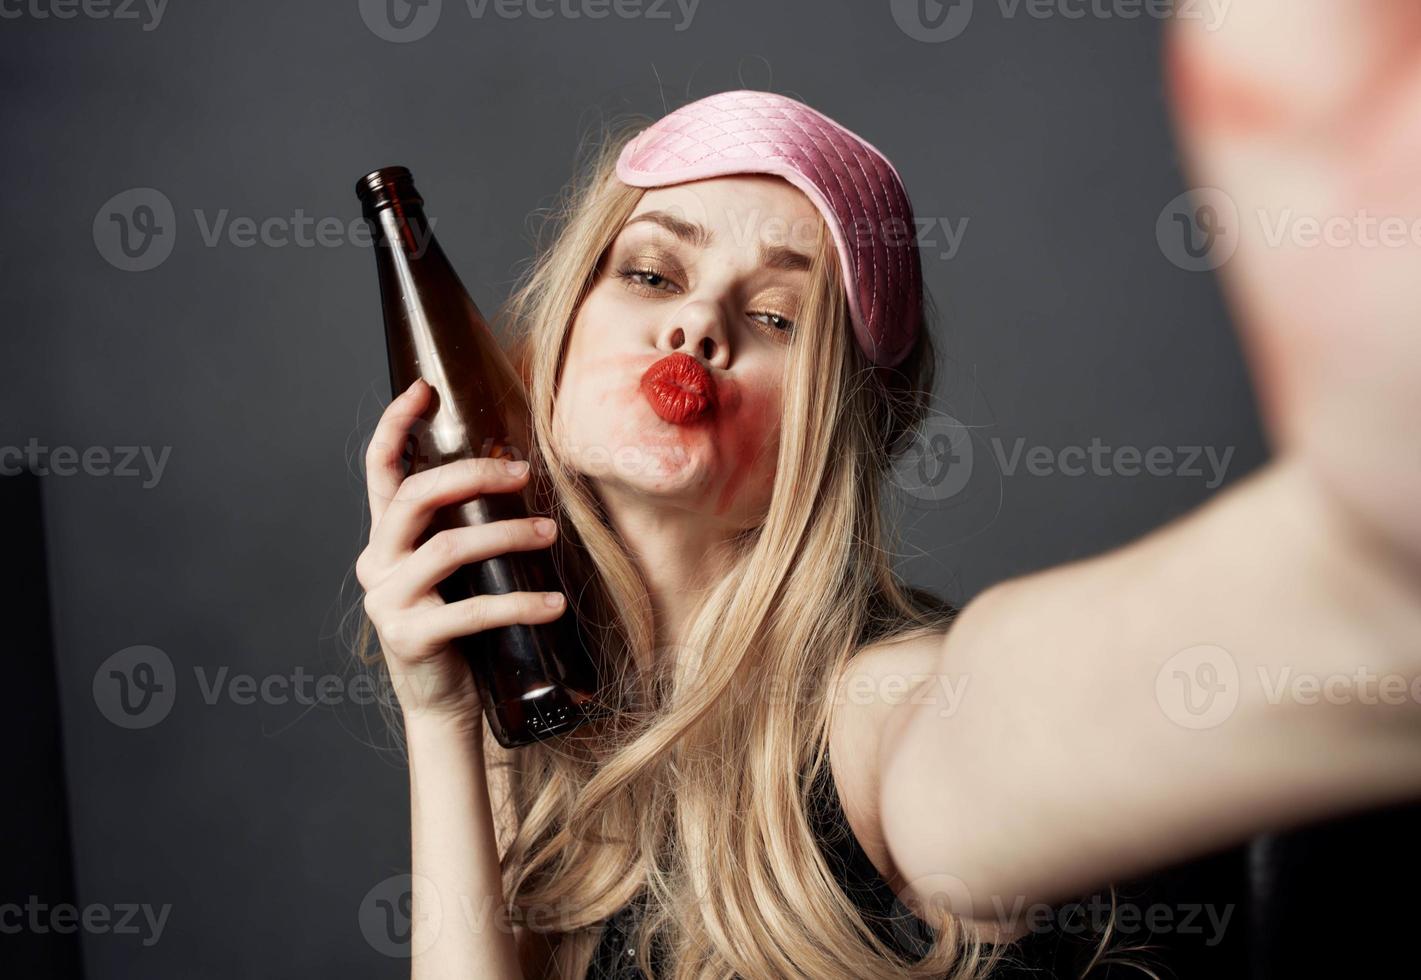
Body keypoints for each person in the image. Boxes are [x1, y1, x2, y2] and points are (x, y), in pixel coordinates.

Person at [352, 4, 1421, 977]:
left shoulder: (882, 713)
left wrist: (1349, 586)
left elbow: (994, 726)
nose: (696, 326)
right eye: (651, 274)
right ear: (541, 347)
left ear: (839, 429)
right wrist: (445, 719)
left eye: (774, 317)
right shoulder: (540, 732)